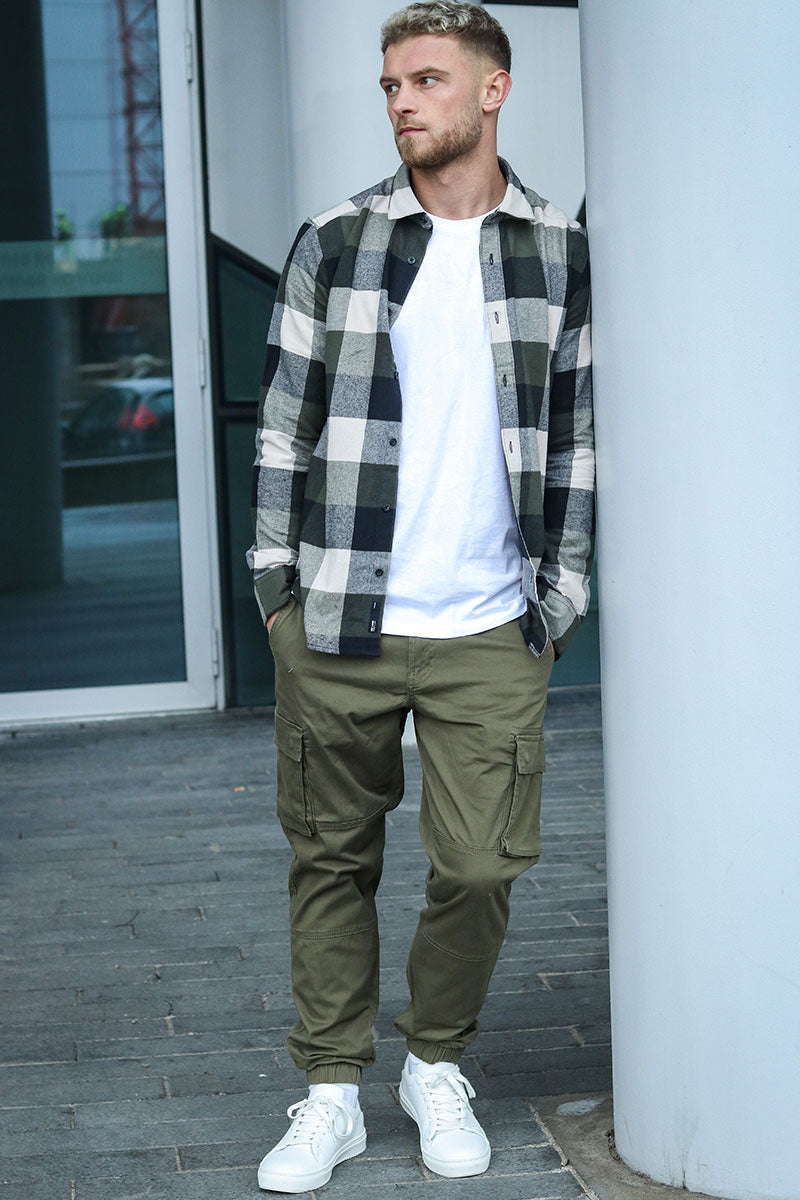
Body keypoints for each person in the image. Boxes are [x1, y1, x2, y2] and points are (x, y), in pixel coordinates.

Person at [248, 2, 594, 1192]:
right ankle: (331, 1092)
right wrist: (275, 591)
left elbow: (575, 434)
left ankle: (433, 1062)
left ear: (493, 90)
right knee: (330, 860)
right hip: (337, 618)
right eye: (391, 83)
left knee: (482, 864)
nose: (401, 101)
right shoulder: (335, 241)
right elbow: (281, 429)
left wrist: (558, 596)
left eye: (427, 79)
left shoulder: (555, 251)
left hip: (490, 624)